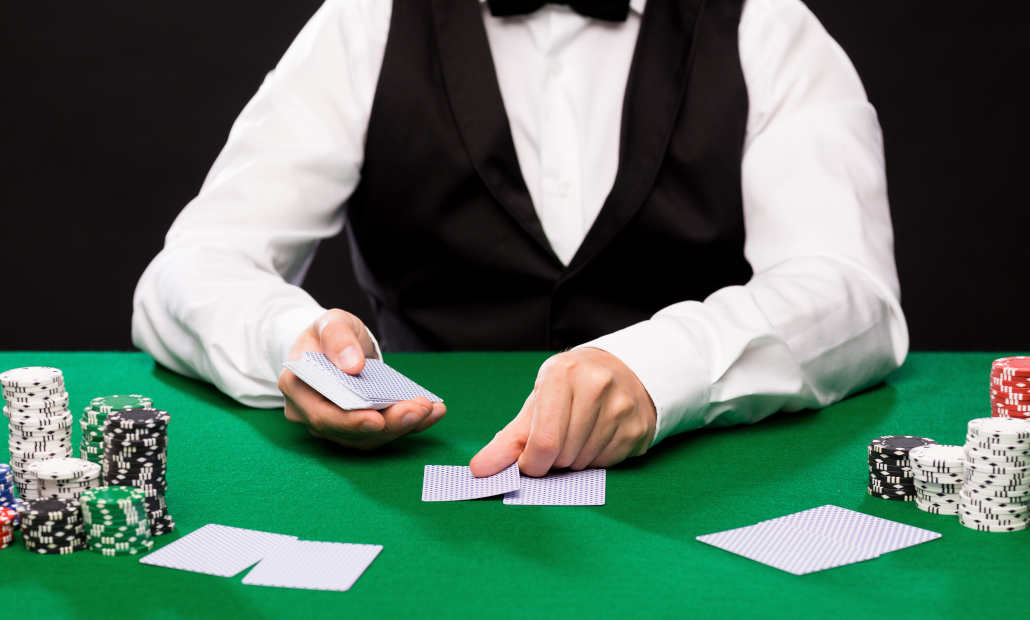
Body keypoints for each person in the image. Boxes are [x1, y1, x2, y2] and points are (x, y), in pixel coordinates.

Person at [132, 0, 908, 478]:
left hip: (699, 503)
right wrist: (293, 344)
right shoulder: (367, 19)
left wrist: (661, 369)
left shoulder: (766, 22)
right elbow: (189, 271)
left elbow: (850, 291)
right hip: (424, 497)